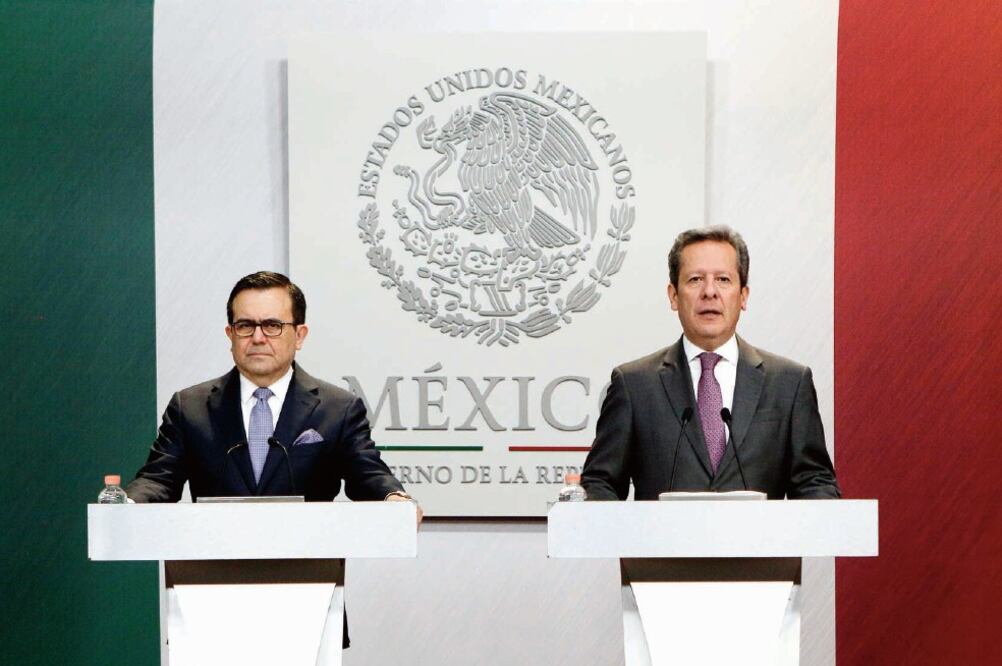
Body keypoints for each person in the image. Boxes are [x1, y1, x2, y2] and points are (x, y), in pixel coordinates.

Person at [581, 226, 839, 500]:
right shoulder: (634, 385)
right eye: (695, 279)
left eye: (723, 280)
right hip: (661, 543)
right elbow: (600, 483)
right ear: (673, 295)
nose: (709, 292)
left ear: (743, 296)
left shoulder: (789, 383)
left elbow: (815, 483)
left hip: (759, 543)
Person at [126, 271, 417, 510]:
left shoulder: (338, 408)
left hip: (308, 569)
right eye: (245, 325)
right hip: (211, 570)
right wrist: (128, 503)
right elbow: (159, 479)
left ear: (299, 335)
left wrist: (393, 497)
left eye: (272, 325)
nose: (257, 337)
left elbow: (367, 475)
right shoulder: (190, 407)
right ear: (230, 334)